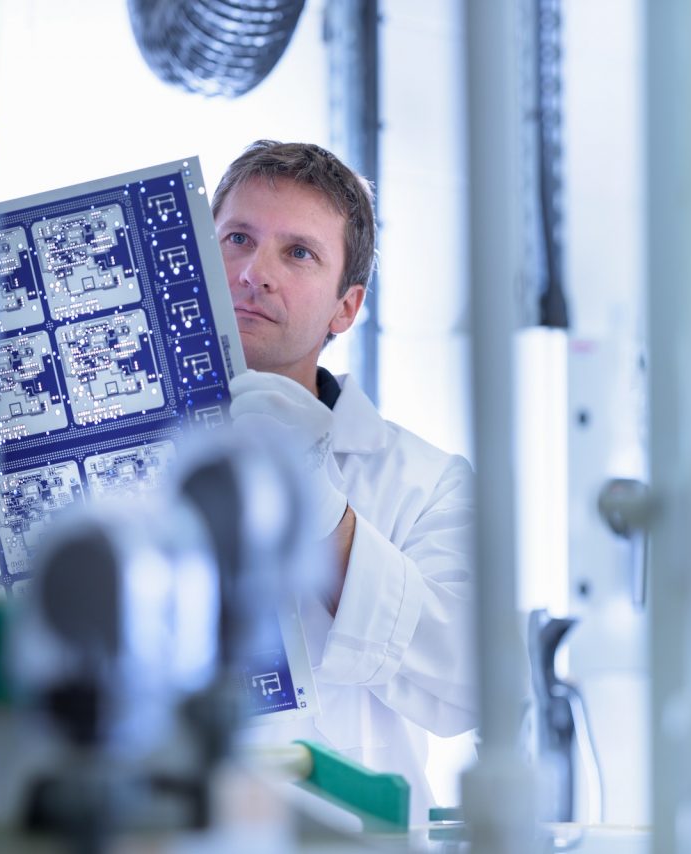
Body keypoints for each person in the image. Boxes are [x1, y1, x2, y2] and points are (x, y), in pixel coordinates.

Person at [212, 140, 476, 816]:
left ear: (346, 308)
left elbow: (466, 683)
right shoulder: (104, 455)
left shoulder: (426, 483)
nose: (253, 273)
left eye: (299, 253)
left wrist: (316, 502)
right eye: (237, 237)